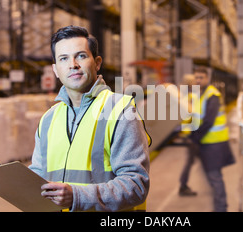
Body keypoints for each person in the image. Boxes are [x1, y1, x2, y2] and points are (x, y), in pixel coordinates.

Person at [28, 25, 151, 212]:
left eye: (81, 56)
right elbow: (39, 176)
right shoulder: (48, 119)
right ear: (55, 69)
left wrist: (76, 196)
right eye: (64, 58)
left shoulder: (120, 111)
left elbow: (136, 186)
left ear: (97, 62)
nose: (73, 65)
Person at [179, 67, 235, 212]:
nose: (198, 80)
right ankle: (219, 207)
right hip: (205, 142)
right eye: (196, 77)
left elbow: (209, 121)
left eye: (201, 77)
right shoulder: (199, 95)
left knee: (215, 178)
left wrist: (194, 137)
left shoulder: (212, 95)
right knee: (211, 176)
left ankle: (221, 208)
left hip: (214, 143)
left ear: (207, 79)